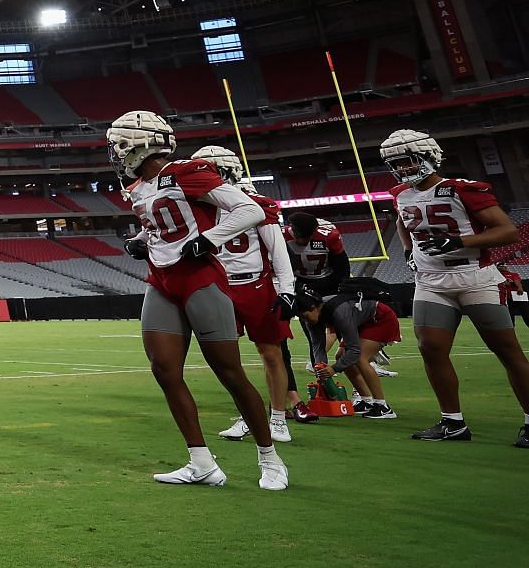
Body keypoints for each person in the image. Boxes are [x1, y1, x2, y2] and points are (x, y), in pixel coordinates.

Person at [109, 110, 286, 490]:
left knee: (230, 373)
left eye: (119, 145)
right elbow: (161, 227)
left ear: (140, 144)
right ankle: (201, 462)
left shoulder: (185, 171)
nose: (116, 154)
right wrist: (140, 243)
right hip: (161, 280)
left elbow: (249, 209)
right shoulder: (140, 186)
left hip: (200, 278)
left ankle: (270, 458)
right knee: (165, 370)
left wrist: (210, 238)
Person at [381, 128, 529, 446]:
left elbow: (507, 232)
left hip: (475, 276)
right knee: (430, 348)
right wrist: (408, 251)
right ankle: (453, 423)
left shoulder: (464, 189)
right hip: (431, 281)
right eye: (397, 164)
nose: (404, 169)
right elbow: (401, 222)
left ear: (428, 156)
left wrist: (460, 241)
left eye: (408, 161)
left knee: (507, 350)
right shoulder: (399, 194)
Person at [188, 148, 299, 448]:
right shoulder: (197, 209)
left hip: (256, 286)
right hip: (220, 287)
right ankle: (249, 415)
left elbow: (278, 252)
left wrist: (287, 289)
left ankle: (277, 417)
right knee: (228, 360)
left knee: (271, 354)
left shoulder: (255, 205)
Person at [296, 280, 402, 418]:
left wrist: (333, 369)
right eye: (300, 318)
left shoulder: (340, 311)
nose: (305, 320)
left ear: (314, 307)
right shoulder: (312, 317)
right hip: (361, 322)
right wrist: (320, 369)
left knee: (359, 358)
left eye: (304, 316)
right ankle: (366, 400)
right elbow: (317, 346)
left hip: (380, 319)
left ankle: (382, 406)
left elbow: (355, 351)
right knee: (342, 357)